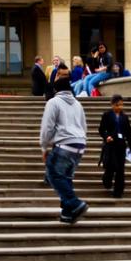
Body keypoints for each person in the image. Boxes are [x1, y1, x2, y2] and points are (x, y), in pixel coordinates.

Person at [40, 74, 89, 224]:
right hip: (79, 145)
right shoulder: (77, 104)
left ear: (56, 90)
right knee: (66, 177)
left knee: (53, 174)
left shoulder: (53, 102)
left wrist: (44, 146)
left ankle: (74, 203)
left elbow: (47, 126)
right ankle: (67, 213)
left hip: (64, 144)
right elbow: (84, 126)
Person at [98, 98, 131, 196]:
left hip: (121, 145)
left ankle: (118, 191)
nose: (120, 107)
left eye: (121, 105)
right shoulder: (107, 115)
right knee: (110, 166)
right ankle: (107, 179)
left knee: (120, 169)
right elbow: (101, 129)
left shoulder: (125, 117)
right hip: (110, 144)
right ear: (112, 105)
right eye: (118, 105)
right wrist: (106, 137)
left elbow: (129, 133)